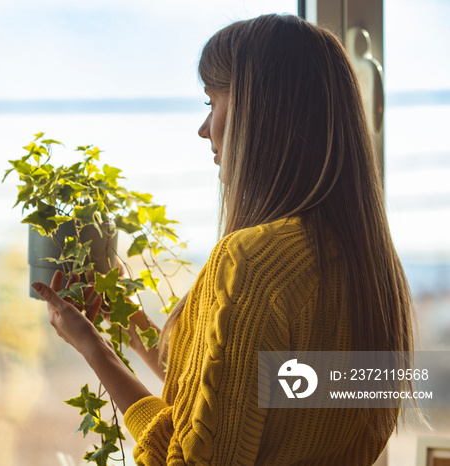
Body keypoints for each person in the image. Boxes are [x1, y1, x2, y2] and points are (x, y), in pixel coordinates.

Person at [32, 13, 415, 465]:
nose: (204, 128)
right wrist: (128, 323)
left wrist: (93, 349)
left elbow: (194, 455)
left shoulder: (253, 263)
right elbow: (234, 398)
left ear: (258, 115)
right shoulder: (372, 272)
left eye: (212, 102)